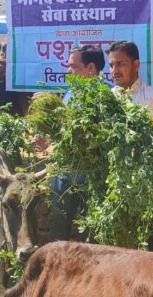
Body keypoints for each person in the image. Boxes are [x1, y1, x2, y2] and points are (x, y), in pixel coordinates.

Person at [48, 45, 109, 242]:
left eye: (73, 66)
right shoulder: (70, 93)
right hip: (65, 175)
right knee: (59, 224)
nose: (68, 71)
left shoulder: (108, 98)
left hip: (93, 178)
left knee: (89, 232)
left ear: (90, 68)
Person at [108, 41, 153, 114]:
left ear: (136, 65)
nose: (114, 71)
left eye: (120, 64)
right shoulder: (107, 97)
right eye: (111, 66)